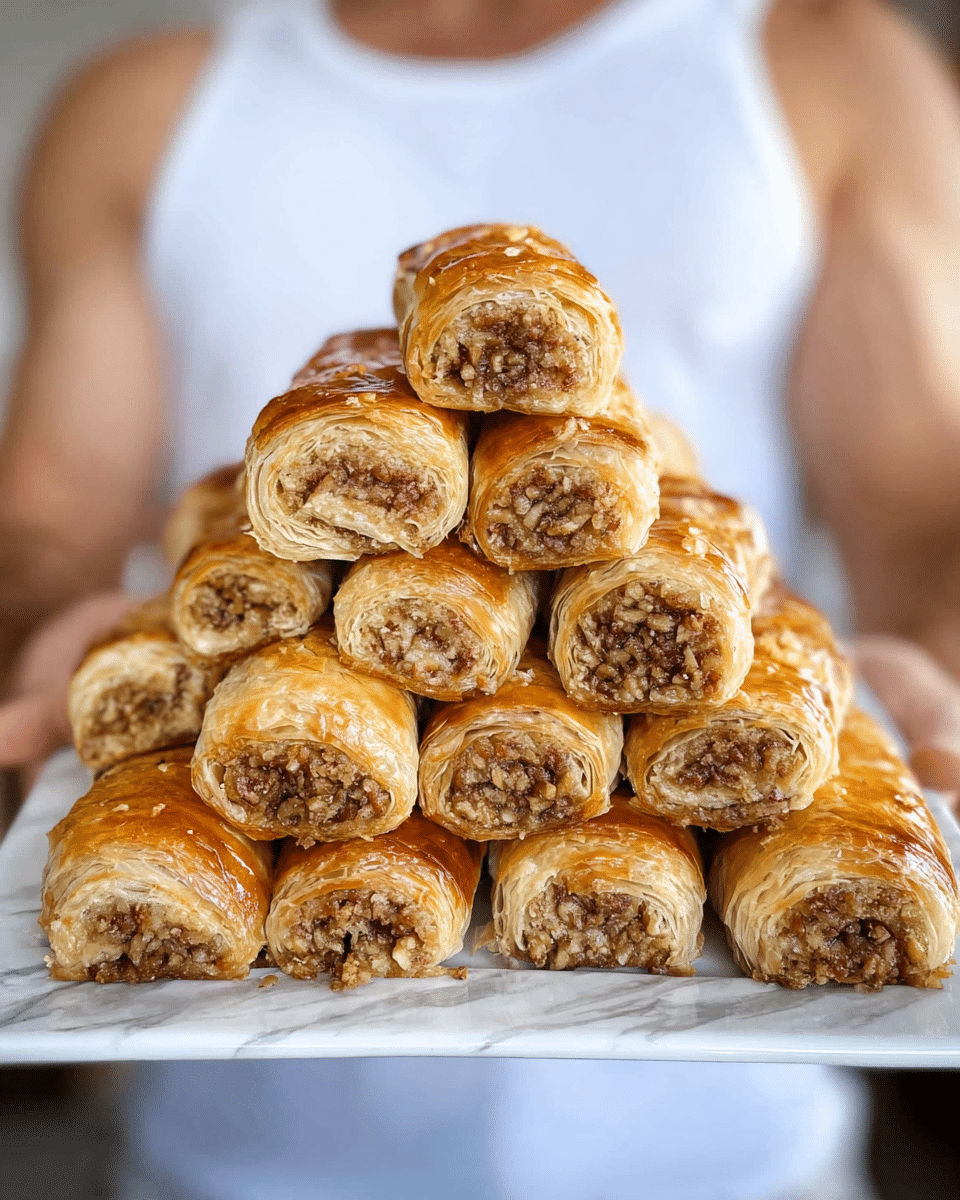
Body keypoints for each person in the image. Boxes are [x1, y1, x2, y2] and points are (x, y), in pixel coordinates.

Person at [1, 1, 960, 1197]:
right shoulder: (140, 106)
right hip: (244, 1156)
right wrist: (49, 634)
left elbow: (926, 518)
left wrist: (910, 685)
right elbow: (44, 530)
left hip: (734, 1155)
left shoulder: (829, 61)